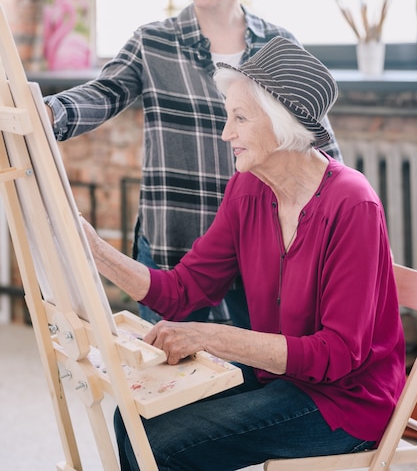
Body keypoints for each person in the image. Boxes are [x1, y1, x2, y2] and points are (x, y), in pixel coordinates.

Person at [81, 36, 405, 471]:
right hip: (279, 374)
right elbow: (183, 290)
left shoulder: (352, 203)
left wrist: (209, 337)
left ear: (281, 123)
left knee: (163, 446)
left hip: (346, 402)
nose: (225, 133)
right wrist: (96, 250)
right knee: (132, 419)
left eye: (240, 118)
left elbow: (338, 355)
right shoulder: (249, 188)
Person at [44, 0, 342, 327]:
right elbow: (104, 92)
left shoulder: (279, 44)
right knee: (169, 384)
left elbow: (322, 144)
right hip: (173, 247)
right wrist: (48, 113)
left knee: (248, 382)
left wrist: (346, 226)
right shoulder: (153, 42)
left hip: (262, 256)